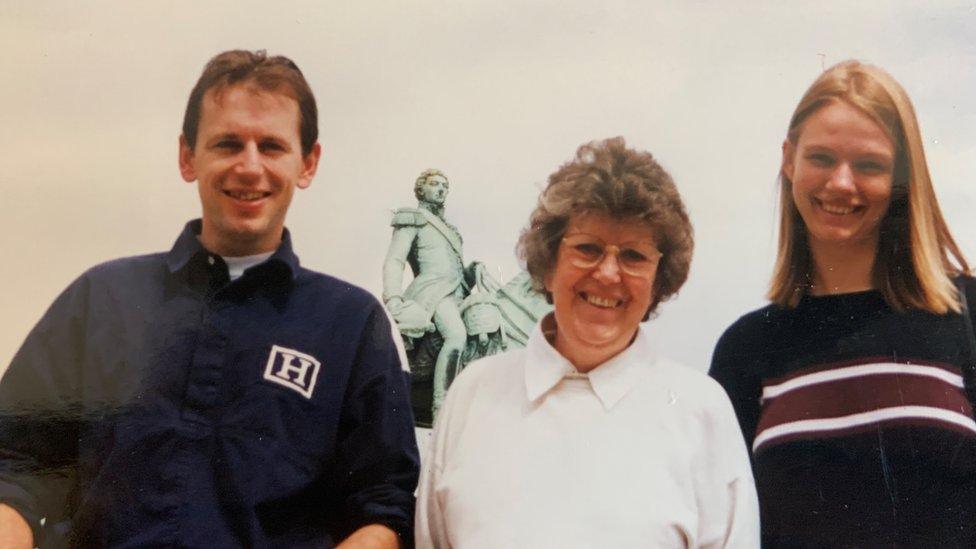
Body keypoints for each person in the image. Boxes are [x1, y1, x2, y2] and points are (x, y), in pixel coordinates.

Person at [0, 50, 419, 548]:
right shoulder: (99, 300)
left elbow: (381, 509)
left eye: (271, 146)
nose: (249, 166)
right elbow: (15, 470)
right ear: (187, 156)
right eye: (227, 143)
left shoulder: (351, 324)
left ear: (307, 163)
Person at [416, 137, 759, 548]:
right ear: (548, 263)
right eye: (587, 248)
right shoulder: (473, 393)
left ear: (659, 278)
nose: (609, 273)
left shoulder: (701, 410)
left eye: (633, 255)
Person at [710, 60, 975, 547]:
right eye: (822, 158)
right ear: (789, 158)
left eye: (869, 165)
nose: (841, 183)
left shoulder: (967, 315)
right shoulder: (745, 349)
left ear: (901, 178)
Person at [382, 169, 483, 420]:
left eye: (445, 186)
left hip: (456, 294)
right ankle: (442, 408)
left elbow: (457, 272)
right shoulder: (413, 217)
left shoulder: (452, 230)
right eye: (435, 184)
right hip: (432, 292)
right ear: (421, 189)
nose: (441, 189)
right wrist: (393, 297)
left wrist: (472, 271)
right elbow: (395, 260)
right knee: (457, 335)